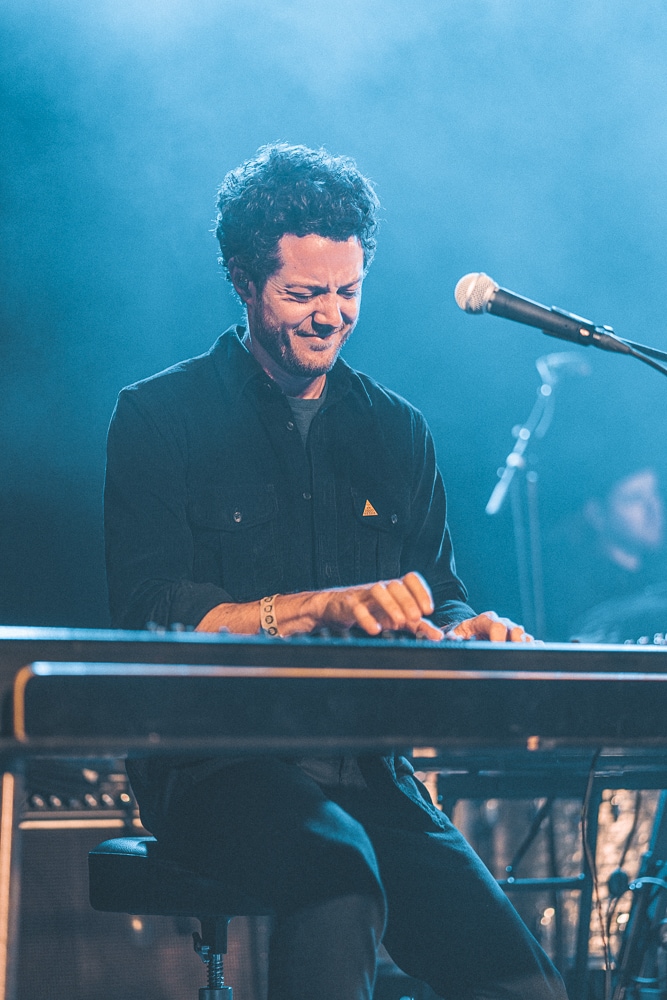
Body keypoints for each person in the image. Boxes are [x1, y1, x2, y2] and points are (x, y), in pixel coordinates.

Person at [105, 143, 568, 1000]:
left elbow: (437, 588)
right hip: (215, 768)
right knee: (338, 876)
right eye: (303, 293)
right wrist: (313, 608)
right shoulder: (158, 415)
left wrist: (463, 628)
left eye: (348, 291)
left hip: (367, 766)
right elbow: (151, 607)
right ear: (244, 282)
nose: (331, 316)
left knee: (521, 984)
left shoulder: (396, 431)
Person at [544, 466, 667, 641]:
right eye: (635, 498)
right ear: (597, 513)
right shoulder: (572, 590)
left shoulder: (658, 577)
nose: (654, 508)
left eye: (655, 493)